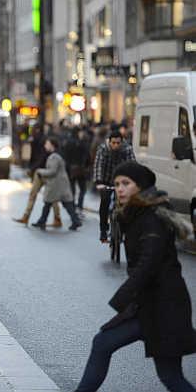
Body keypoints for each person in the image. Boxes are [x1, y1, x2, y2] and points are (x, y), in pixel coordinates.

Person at [74, 161, 196, 392]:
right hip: (147, 306)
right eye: (117, 184)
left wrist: (121, 298)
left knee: (170, 376)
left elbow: (148, 264)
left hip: (164, 308)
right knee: (103, 343)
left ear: (140, 187)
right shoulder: (135, 215)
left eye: (126, 184)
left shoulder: (152, 219)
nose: (119, 188)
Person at [31, 137, 82, 231]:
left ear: (51, 145)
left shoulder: (54, 157)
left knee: (48, 203)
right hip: (61, 184)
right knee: (66, 203)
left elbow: (52, 171)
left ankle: (42, 221)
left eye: (47, 143)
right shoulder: (57, 155)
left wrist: (40, 171)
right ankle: (75, 221)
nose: (45, 145)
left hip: (56, 185)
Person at [93, 130, 135, 242]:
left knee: (125, 205)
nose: (116, 145)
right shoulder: (103, 149)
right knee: (105, 202)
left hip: (121, 181)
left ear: (122, 142)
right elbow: (98, 165)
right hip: (106, 180)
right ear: (109, 142)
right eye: (113, 143)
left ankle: (124, 228)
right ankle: (103, 230)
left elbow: (132, 165)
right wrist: (98, 182)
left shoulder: (127, 149)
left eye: (118, 143)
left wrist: (133, 181)